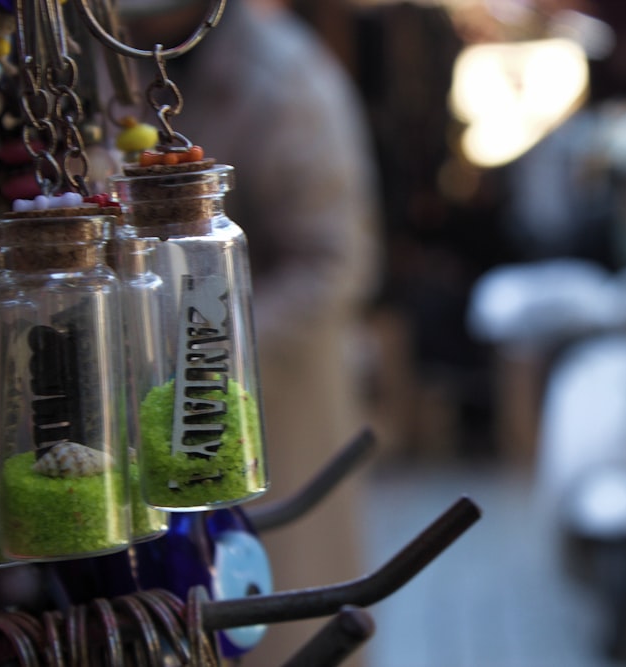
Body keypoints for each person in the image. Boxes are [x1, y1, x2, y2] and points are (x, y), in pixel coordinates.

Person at [119, 1, 381, 664]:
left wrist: (196, 357)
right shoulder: (115, 65)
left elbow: (336, 263)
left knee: (277, 615)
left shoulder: (285, 77)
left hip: (272, 401)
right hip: (164, 412)